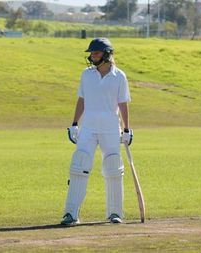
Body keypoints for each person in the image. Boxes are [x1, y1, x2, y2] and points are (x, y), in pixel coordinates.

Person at [61, 38, 133, 225]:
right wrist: (75, 123)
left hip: (110, 128)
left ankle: (115, 213)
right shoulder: (86, 75)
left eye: (96, 53)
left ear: (107, 54)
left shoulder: (119, 76)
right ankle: (71, 213)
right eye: (91, 53)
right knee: (79, 166)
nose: (92, 56)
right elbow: (81, 100)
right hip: (88, 128)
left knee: (113, 168)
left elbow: (123, 104)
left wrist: (126, 129)